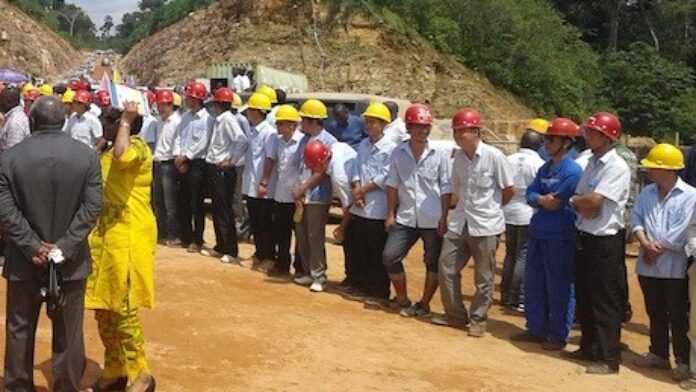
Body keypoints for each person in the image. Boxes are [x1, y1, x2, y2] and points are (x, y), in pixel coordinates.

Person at [0, 96, 102, 392]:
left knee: (19, 327)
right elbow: (92, 207)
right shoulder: (86, 156)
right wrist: (64, 247)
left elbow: (4, 208)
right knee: (69, 331)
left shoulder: (10, 158)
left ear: (32, 122)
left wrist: (33, 246)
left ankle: (18, 385)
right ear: (64, 121)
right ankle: (66, 386)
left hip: (24, 258)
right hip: (70, 261)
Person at [86, 103, 157, 392]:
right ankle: (115, 368)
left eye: (110, 120)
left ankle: (141, 373)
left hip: (128, 239)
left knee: (124, 309)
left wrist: (125, 122)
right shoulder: (105, 148)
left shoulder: (138, 147)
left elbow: (122, 154)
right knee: (104, 308)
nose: (103, 122)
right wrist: (106, 137)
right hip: (104, 239)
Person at [431, 108, 513, 337]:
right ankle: (456, 315)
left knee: (484, 277)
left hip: (486, 225)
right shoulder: (456, 158)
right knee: (446, 267)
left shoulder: (494, 156)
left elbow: (508, 190)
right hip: (460, 221)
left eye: (463, 131)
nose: (458, 136)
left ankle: (478, 320)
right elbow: (455, 190)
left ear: (476, 131)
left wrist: (493, 210)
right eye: (456, 131)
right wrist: (446, 215)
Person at [371, 104, 451, 316]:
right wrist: (390, 213)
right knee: (390, 256)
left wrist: (444, 216)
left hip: (432, 218)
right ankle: (403, 298)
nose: (422, 131)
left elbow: (446, 188)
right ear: (408, 127)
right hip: (406, 216)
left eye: (425, 127)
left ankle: (424, 304)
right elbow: (392, 184)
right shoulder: (398, 152)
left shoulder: (439, 154)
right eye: (417, 126)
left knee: (432, 262)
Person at [566, 112, 631, 374]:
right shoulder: (592, 162)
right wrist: (579, 202)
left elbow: (592, 203)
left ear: (607, 136)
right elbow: (582, 197)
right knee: (585, 293)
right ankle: (589, 346)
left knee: (606, 298)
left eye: (592, 132)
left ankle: (608, 357)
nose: (587, 135)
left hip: (606, 241)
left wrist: (577, 202)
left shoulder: (616, 167)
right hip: (586, 236)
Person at [513, 118, 582, 350]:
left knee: (559, 285)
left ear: (566, 143)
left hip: (560, 234)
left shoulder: (572, 171)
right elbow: (531, 194)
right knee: (534, 282)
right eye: (546, 138)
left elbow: (557, 202)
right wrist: (542, 199)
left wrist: (541, 200)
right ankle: (536, 328)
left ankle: (557, 334)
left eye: (551, 139)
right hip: (539, 231)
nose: (546, 143)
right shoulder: (545, 167)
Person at [631, 144, 695, 381]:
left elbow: (684, 229)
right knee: (655, 310)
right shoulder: (647, 192)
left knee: (678, 314)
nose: (648, 172)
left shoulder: (690, 196)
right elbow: (636, 217)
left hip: (674, 264)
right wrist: (644, 242)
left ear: (668, 170)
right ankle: (658, 353)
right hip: (648, 262)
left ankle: (682, 360)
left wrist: (657, 246)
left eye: (653, 168)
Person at [342, 102, 398, 300]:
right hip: (360, 204)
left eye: (373, 122)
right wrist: (357, 186)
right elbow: (357, 167)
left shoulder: (391, 149)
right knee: (358, 246)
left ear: (383, 124)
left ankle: (378, 290)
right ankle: (359, 284)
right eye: (367, 121)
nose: (369, 125)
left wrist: (363, 190)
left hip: (377, 205)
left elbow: (386, 175)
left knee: (376, 250)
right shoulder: (364, 144)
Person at [292, 99, 338, 292]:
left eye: (304, 119)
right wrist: (297, 190)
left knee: (315, 235)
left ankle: (319, 275)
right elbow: (298, 165)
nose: (301, 123)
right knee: (301, 234)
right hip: (302, 195)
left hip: (318, 196)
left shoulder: (329, 142)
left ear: (313, 120)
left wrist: (304, 188)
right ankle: (309, 272)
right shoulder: (304, 139)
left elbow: (323, 171)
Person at [203, 87, 248, 264]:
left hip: (223, 170)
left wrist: (231, 159)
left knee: (224, 210)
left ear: (218, 104)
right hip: (214, 167)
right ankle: (220, 245)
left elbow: (242, 140)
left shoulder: (228, 120)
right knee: (217, 209)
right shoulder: (219, 120)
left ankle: (230, 249)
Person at [501, 130, 544, 311]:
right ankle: (516, 297)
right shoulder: (539, 164)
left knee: (510, 253)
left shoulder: (508, 160)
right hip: (528, 213)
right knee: (523, 256)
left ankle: (505, 294)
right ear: (539, 145)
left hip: (508, 211)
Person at [258, 105, 304, 276]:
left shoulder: (302, 142)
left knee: (300, 234)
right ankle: (282, 264)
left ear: (292, 125)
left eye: (282, 124)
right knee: (281, 232)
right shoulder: (277, 141)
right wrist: (265, 181)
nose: (278, 127)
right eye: (278, 124)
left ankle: (300, 267)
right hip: (280, 194)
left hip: (297, 196)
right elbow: (271, 161)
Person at [175, 82, 213, 253]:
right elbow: (178, 136)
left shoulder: (207, 119)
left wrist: (187, 156)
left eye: (189, 97)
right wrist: (178, 156)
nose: (186, 100)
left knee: (196, 203)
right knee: (182, 201)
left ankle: (197, 240)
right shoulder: (186, 117)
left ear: (197, 99)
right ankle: (185, 236)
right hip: (182, 161)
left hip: (197, 163)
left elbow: (203, 142)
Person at [242, 93, 277, 270]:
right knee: (255, 221)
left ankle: (269, 257)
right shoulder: (252, 131)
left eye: (250, 109)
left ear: (257, 112)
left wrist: (264, 182)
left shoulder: (269, 133)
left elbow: (270, 158)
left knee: (265, 223)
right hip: (251, 184)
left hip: (263, 187)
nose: (248, 112)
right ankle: (259, 253)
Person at [152, 90, 182, 247]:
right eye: (159, 105)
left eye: (163, 105)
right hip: (158, 162)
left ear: (170, 105)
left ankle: (173, 234)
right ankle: (161, 233)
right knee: (158, 202)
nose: (160, 108)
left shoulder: (177, 122)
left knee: (170, 203)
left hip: (169, 164)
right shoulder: (158, 121)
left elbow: (178, 142)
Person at [231, 93, 251, 242]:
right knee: (231, 195)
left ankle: (240, 222)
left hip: (239, 163)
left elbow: (246, 139)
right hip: (230, 161)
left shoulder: (241, 119)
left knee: (237, 196)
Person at [0, 87, 30, 153]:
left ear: (7, 101)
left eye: (1, 99)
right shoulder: (12, 117)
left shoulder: (15, 122)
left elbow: (13, 153)